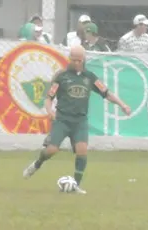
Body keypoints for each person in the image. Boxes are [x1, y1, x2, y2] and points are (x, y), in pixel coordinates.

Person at [23, 45, 131, 194]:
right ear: (70, 59)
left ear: (84, 59)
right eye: (74, 60)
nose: (76, 63)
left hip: (80, 121)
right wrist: (50, 111)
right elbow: (48, 98)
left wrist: (122, 105)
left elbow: (107, 93)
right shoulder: (61, 76)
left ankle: (75, 185)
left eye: (79, 60)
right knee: (52, 150)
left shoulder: (90, 77)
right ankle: (37, 163)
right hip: (62, 119)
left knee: (82, 150)